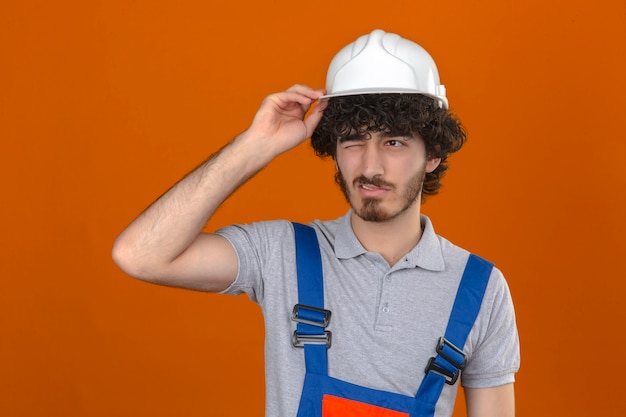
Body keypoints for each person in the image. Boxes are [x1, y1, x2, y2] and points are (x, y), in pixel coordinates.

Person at [112, 29, 520, 417]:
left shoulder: (480, 290)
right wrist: (255, 146)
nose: (370, 166)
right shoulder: (281, 253)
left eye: (393, 142)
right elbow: (140, 255)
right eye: (352, 141)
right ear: (334, 151)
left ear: (432, 154)